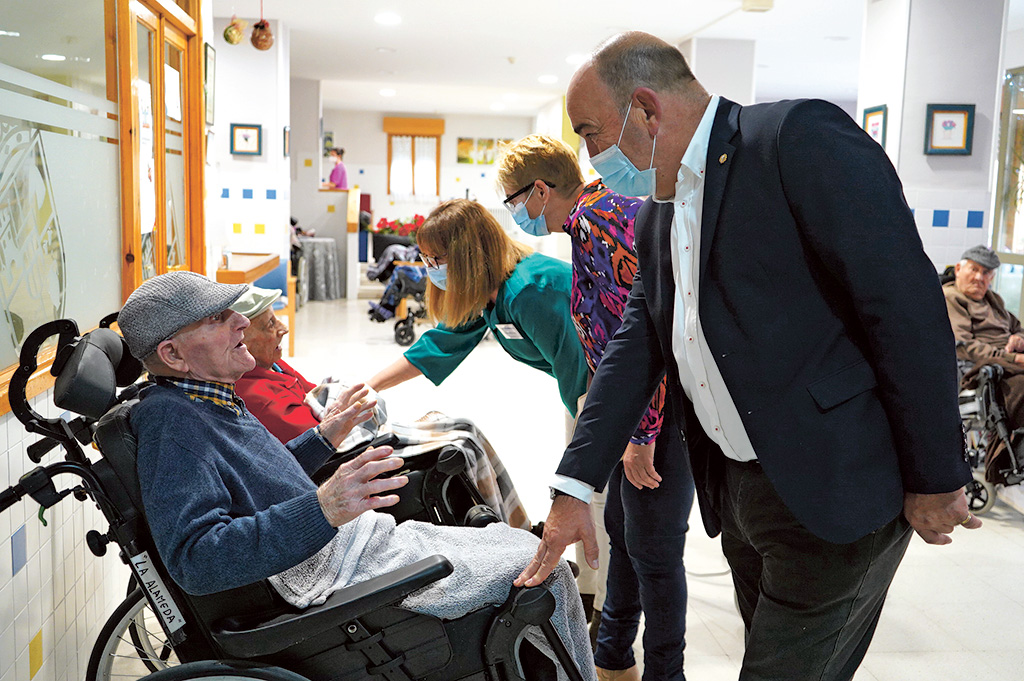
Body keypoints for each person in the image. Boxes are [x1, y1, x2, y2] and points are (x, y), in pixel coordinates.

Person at [516, 32, 979, 681]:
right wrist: (573, 485)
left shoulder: (796, 140)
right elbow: (636, 346)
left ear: (645, 110)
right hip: (740, 494)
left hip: (833, 490)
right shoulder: (658, 214)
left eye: (590, 133)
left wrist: (938, 474)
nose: (589, 156)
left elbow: (903, 305)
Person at [117, 271, 594, 678]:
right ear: (174, 355)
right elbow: (197, 558)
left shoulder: (201, 396)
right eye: (218, 319)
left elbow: (258, 483)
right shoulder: (172, 423)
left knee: (525, 550)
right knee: (542, 571)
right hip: (334, 573)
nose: (243, 320)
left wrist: (323, 438)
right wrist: (323, 507)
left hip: (353, 548)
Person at [497, 134, 693, 681]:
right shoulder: (594, 215)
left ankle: (663, 672)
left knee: (652, 548)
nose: (516, 214)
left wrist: (641, 431)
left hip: (657, 410)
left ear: (540, 190)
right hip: (641, 411)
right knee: (622, 528)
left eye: (514, 200)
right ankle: (611, 654)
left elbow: (645, 334)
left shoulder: (602, 220)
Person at [229, 284, 532, 529]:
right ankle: (511, 535)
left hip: (357, 439)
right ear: (241, 340)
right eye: (270, 324)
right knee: (463, 437)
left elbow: (320, 397)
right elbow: (326, 442)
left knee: (458, 423)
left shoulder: (272, 366)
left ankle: (522, 528)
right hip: (349, 458)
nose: (282, 327)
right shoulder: (257, 393)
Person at [368, 199, 589, 422]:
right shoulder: (484, 291)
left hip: (602, 384)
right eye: (425, 259)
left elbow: (577, 371)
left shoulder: (529, 292)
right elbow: (440, 342)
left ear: (468, 255)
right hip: (584, 390)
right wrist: (370, 388)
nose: (431, 269)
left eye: (436, 259)